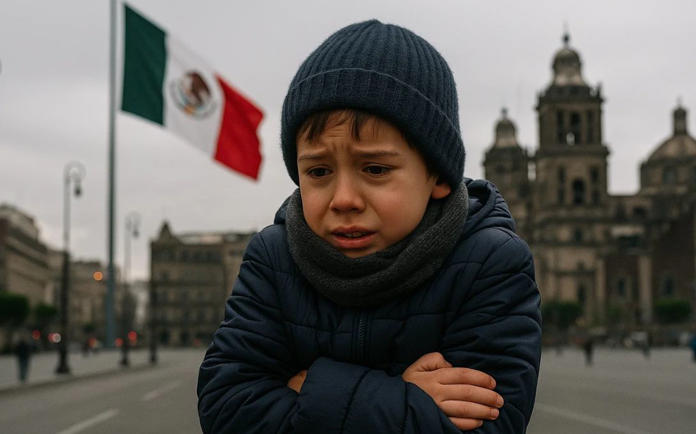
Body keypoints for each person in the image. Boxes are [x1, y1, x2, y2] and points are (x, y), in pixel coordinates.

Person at [197, 20, 541, 433]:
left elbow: (489, 426)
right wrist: (404, 397)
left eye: (375, 169)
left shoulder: (490, 263)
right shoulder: (272, 258)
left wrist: (308, 388)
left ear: (438, 176)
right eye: (319, 171)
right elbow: (226, 409)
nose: (344, 199)